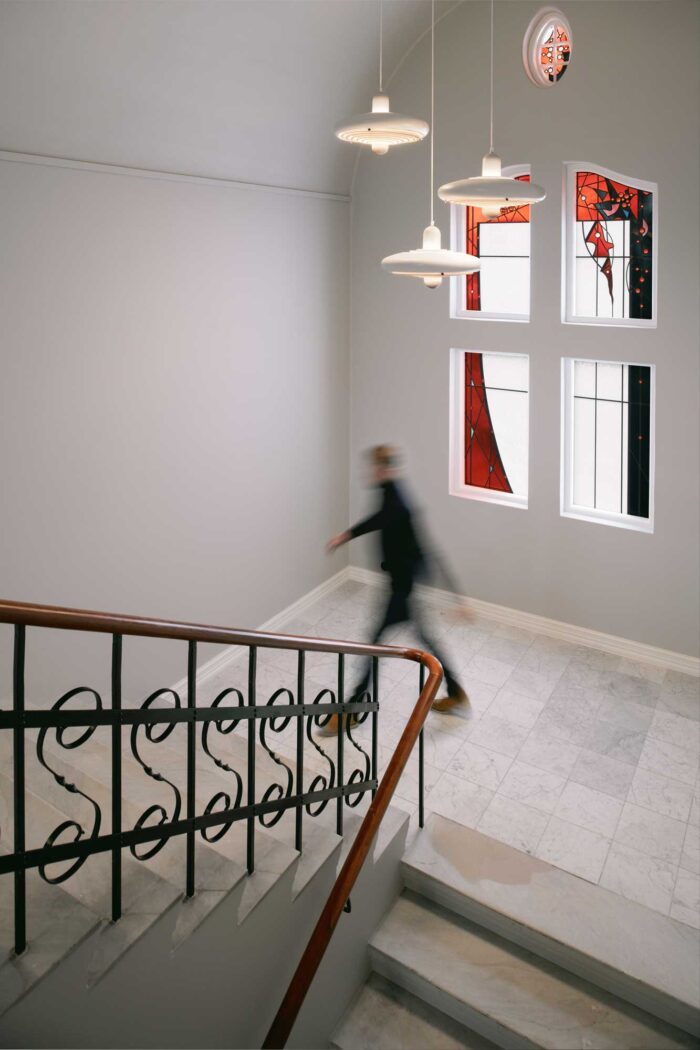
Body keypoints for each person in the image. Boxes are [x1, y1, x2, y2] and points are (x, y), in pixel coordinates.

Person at [323, 445, 469, 733]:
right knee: (424, 639)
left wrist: (458, 595)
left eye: (375, 467)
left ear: (385, 469)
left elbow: (407, 534)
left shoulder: (397, 501)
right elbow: (380, 520)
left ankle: (352, 709)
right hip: (402, 582)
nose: (371, 473)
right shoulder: (391, 492)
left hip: (402, 585)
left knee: (375, 644)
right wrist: (347, 535)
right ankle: (456, 694)